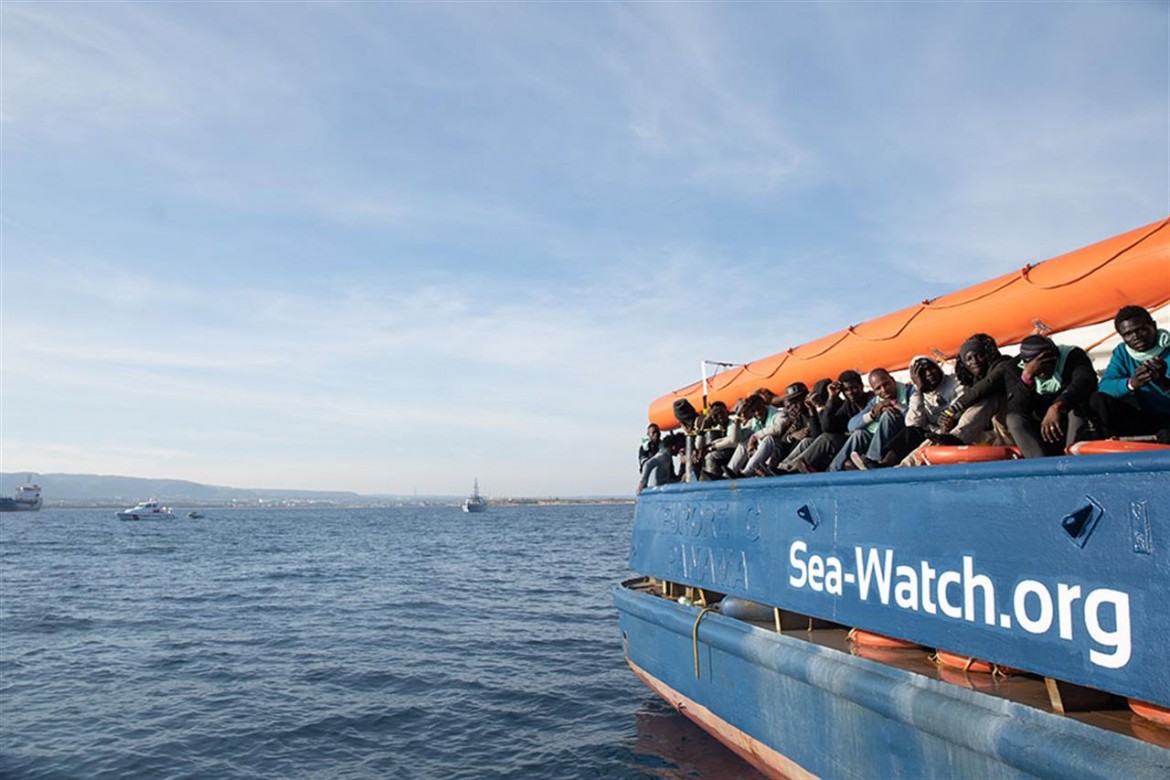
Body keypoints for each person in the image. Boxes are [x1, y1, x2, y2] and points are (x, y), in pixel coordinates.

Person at [940, 335, 1097, 458]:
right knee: (1013, 418)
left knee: (1076, 408)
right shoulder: (1015, 368)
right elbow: (1017, 407)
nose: (1045, 373)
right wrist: (1028, 376)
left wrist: (1058, 405)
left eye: (1050, 365)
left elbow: (1084, 382)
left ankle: (1073, 461)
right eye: (1040, 369)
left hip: (1066, 417)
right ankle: (1040, 467)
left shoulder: (1072, 356)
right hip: (1034, 425)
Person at [855, 356, 960, 469]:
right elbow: (913, 423)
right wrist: (919, 390)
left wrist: (895, 404)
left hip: (952, 429)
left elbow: (961, 404)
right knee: (911, 432)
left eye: (931, 368)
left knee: (890, 416)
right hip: (931, 430)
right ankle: (881, 464)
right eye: (923, 373)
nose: (929, 374)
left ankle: (877, 461)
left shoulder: (953, 382)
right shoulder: (920, 391)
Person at [1088, 305, 1170, 443]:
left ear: (1153, 326)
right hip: (1151, 417)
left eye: (1141, 330)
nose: (1136, 337)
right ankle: (1108, 447)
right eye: (1128, 334)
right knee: (1098, 400)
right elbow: (1105, 387)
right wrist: (1132, 383)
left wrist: (1164, 383)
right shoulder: (1123, 352)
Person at [783, 371, 872, 473]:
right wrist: (830, 398)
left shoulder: (870, 399)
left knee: (855, 434)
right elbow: (827, 428)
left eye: (854, 388)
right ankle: (787, 468)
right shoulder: (848, 405)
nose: (850, 392)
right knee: (819, 439)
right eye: (846, 390)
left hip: (868, 441)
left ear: (861, 386)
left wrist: (822, 406)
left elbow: (821, 434)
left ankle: (826, 470)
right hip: (851, 446)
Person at [830, 368, 912, 471]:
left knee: (889, 415)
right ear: (874, 391)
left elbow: (913, 418)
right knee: (859, 434)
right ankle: (832, 471)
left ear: (892, 379)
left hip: (904, 435)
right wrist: (873, 414)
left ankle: (871, 459)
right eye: (878, 388)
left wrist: (894, 404)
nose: (884, 390)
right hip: (881, 437)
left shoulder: (909, 391)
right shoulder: (876, 401)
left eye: (886, 384)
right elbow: (851, 426)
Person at [729, 383, 811, 476]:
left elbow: (778, 428)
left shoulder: (779, 414)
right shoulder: (753, 422)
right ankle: (729, 473)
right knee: (743, 443)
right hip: (762, 455)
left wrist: (755, 436)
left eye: (759, 408)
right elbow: (735, 439)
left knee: (769, 438)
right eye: (753, 411)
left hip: (777, 452)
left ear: (765, 405)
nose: (757, 413)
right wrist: (738, 417)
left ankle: (746, 473)